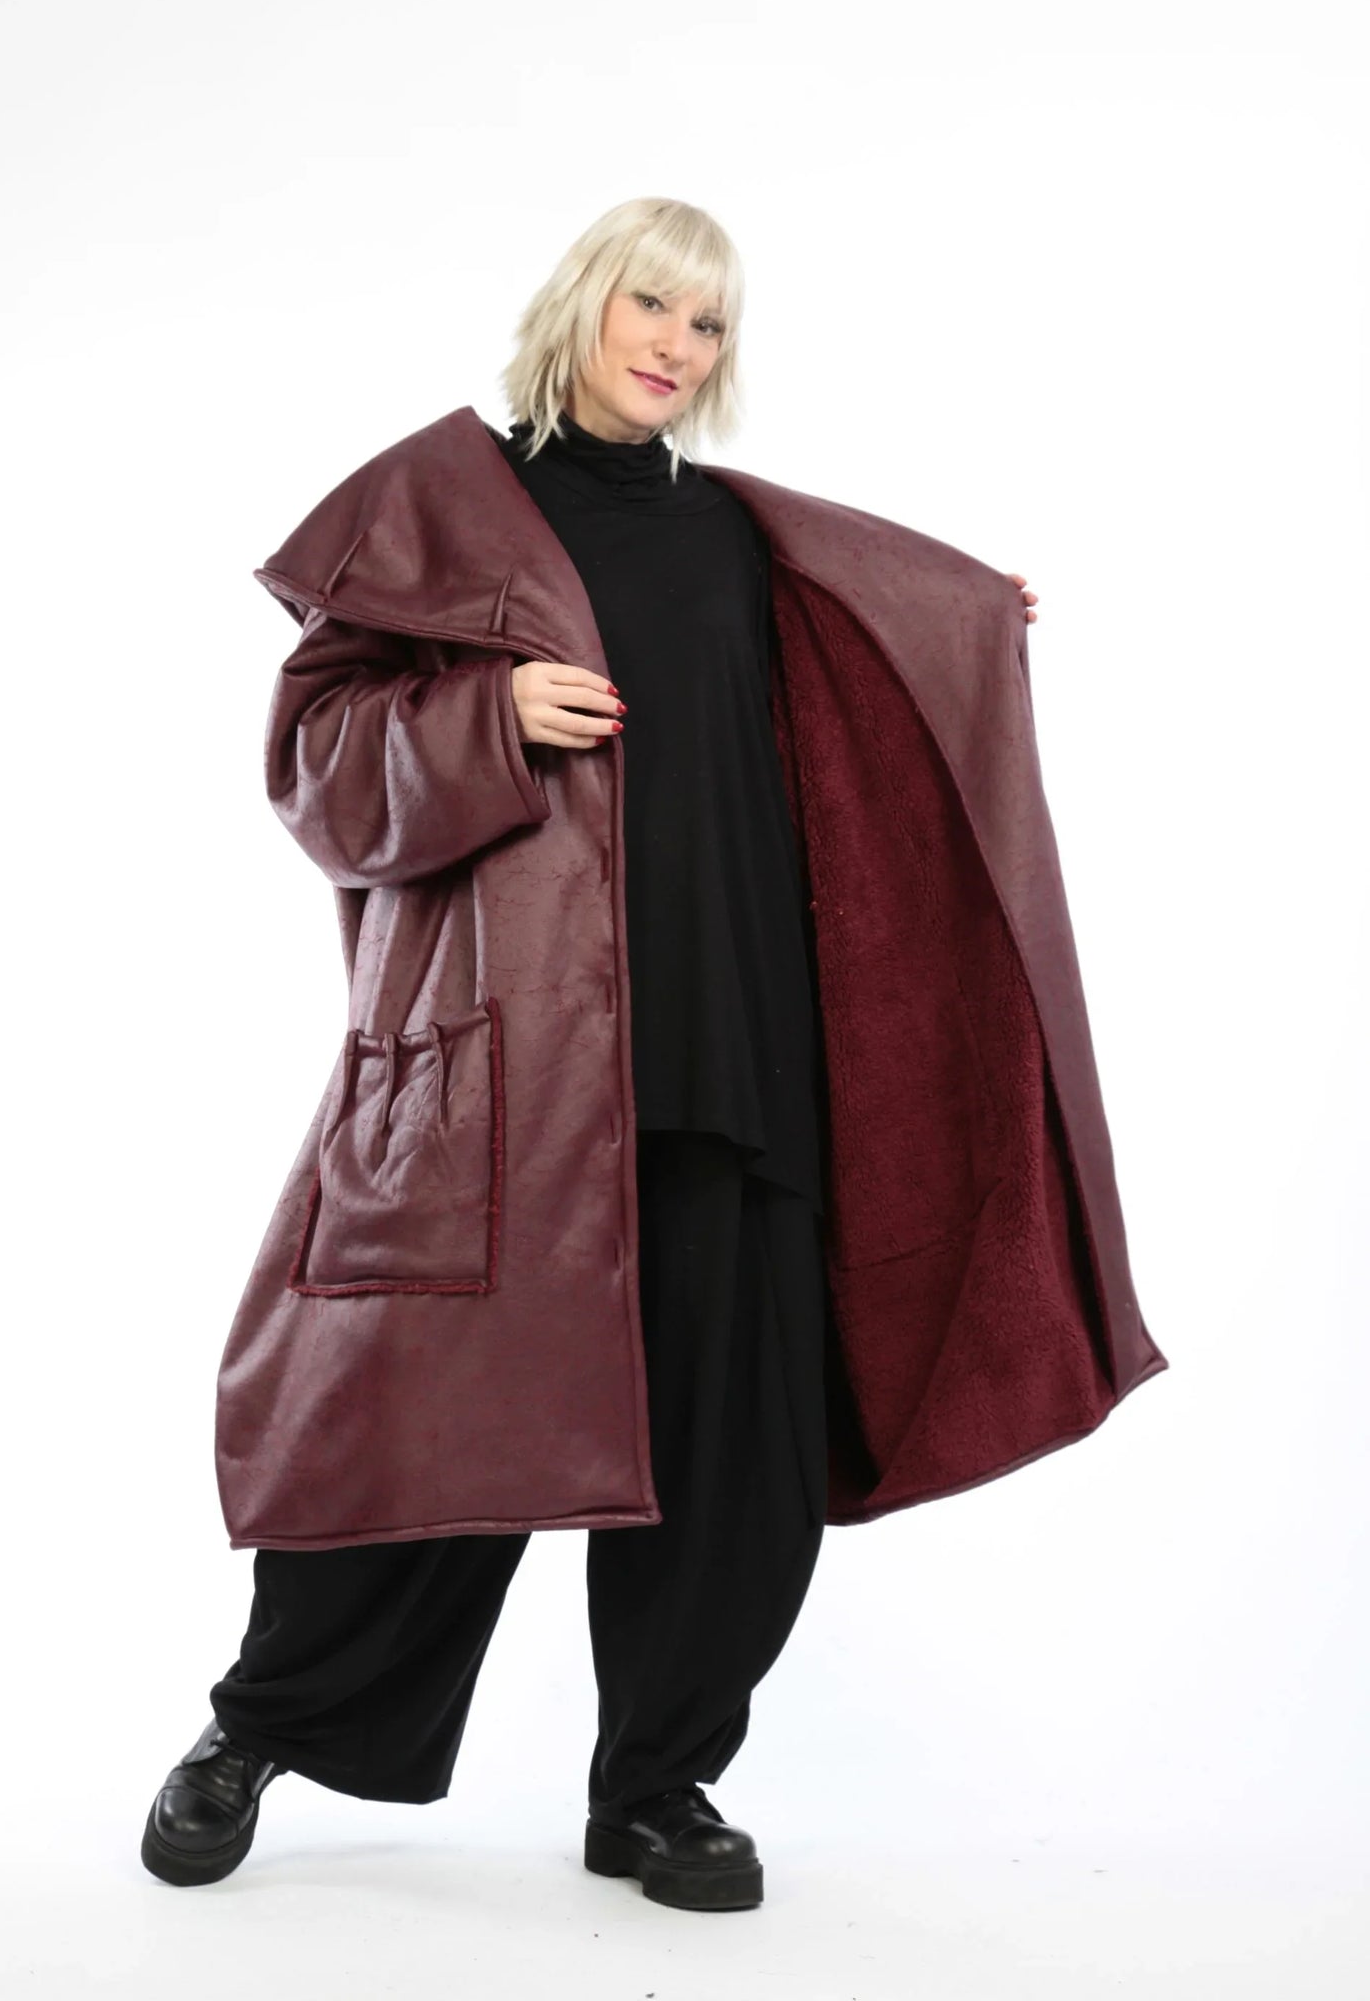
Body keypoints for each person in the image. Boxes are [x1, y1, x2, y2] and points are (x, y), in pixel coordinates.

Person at [142, 196, 1156, 1912]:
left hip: (733, 1047)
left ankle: (657, 1789)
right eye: (653, 306)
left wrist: (952, 627)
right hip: (509, 1076)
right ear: (582, 302)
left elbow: (864, 676)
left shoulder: (740, 538)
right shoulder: (440, 505)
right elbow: (314, 765)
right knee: (425, 1420)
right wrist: (484, 716)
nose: (678, 347)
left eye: (709, 324)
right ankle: (255, 1729)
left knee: (727, 1451)